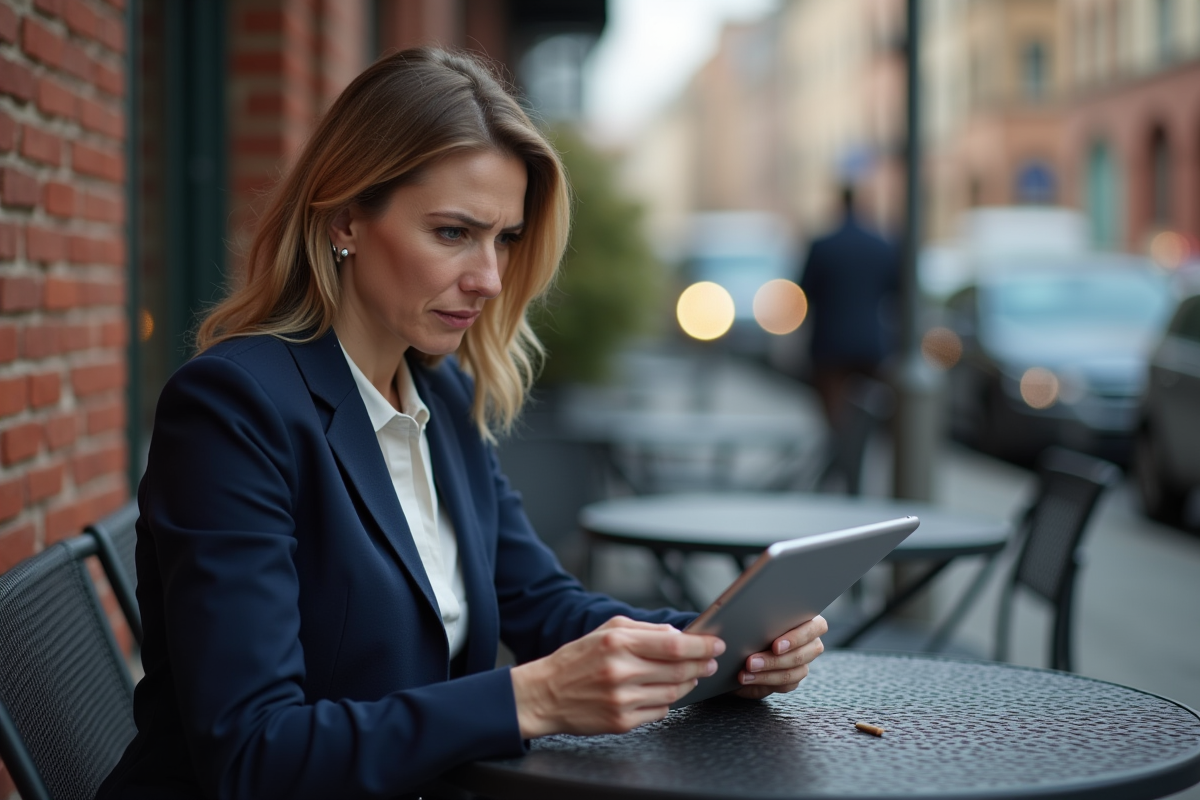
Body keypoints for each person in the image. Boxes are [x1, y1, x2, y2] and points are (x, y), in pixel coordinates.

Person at [97, 48, 827, 800]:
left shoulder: (438, 396)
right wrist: (529, 699)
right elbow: (255, 754)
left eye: (505, 237)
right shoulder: (234, 409)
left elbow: (544, 604)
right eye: (453, 233)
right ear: (346, 216)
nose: (489, 278)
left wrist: (719, 644)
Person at [799, 185, 898, 429]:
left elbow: (805, 291)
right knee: (880, 408)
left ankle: (842, 456)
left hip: (830, 343)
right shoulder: (881, 246)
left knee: (835, 416)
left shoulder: (823, 246)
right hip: (870, 341)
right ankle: (861, 448)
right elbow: (895, 292)